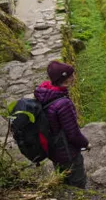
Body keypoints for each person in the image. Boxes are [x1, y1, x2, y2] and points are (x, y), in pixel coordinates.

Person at [35, 61, 90, 189]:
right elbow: (73, 133)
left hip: (53, 149)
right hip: (67, 152)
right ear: (65, 79)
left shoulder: (44, 94)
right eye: (71, 75)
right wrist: (85, 143)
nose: (74, 77)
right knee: (78, 182)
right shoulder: (63, 104)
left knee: (62, 178)